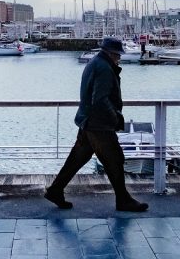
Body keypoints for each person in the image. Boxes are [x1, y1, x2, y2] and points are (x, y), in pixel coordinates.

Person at [44, 37, 149, 212]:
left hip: (88, 120)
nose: (119, 58)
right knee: (115, 160)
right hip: (98, 124)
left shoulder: (95, 63)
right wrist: (115, 117)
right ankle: (123, 200)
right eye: (117, 54)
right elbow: (100, 100)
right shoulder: (104, 68)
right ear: (110, 53)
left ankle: (55, 190)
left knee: (78, 158)